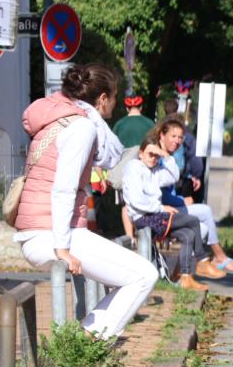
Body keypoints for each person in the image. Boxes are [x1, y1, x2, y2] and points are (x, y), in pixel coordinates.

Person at [15, 63, 157, 340]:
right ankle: (85, 343)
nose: (114, 106)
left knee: (135, 276)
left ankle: (85, 341)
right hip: (51, 234)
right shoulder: (82, 127)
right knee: (143, 275)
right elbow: (63, 189)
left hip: (41, 230)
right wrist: (62, 248)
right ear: (102, 98)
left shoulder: (58, 120)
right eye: (114, 98)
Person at [151, 119, 233, 275]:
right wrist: (181, 200)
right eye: (173, 136)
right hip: (158, 211)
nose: (177, 141)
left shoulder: (168, 155)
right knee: (205, 211)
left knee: (203, 229)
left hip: (170, 207)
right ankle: (219, 257)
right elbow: (158, 191)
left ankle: (179, 274)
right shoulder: (157, 156)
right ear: (162, 135)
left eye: (180, 137)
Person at [121, 136, 212, 291]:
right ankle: (202, 260)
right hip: (145, 218)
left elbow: (173, 177)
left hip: (154, 215)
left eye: (156, 156)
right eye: (150, 154)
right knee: (193, 221)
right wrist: (161, 208)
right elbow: (137, 200)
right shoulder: (134, 167)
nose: (153, 158)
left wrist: (166, 155)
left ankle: (185, 277)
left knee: (188, 235)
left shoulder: (154, 171)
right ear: (141, 153)